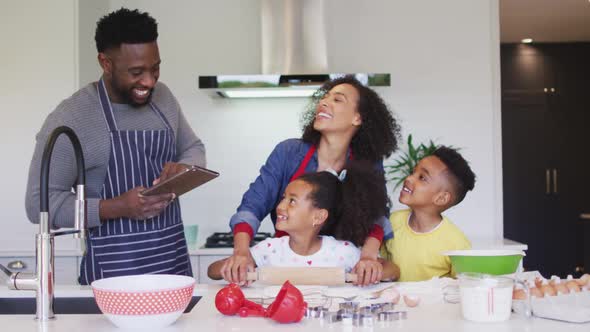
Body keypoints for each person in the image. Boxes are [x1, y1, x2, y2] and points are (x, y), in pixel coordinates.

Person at [24, 8, 206, 284]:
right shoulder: (73, 117)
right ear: (105, 63)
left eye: (155, 68)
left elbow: (194, 148)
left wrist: (184, 170)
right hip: (111, 280)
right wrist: (116, 207)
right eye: (136, 72)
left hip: (173, 271)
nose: (149, 81)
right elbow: (39, 204)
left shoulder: (164, 98)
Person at [223, 76, 401, 285]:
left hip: (342, 271)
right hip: (287, 266)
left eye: (338, 99)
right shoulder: (289, 152)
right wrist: (242, 253)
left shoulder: (369, 163)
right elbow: (252, 204)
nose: (323, 102)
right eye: (324, 97)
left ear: (357, 118)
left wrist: (368, 257)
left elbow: (377, 215)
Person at [209, 162, 400, 282]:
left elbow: (393, 271)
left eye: (292, 201)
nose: (280, 206)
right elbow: (212, 271)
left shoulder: (342, 252)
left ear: (318, 217)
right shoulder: (270, 250)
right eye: (283, 198)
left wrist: (372, 269)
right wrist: (233, 266)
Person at [380, 146, 476, 282]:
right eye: (413, 172)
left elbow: (464, 287)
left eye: (422, 178)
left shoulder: (457, 244)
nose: (409, 178)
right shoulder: (392, 221)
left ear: (441, 198)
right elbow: (380, 262)